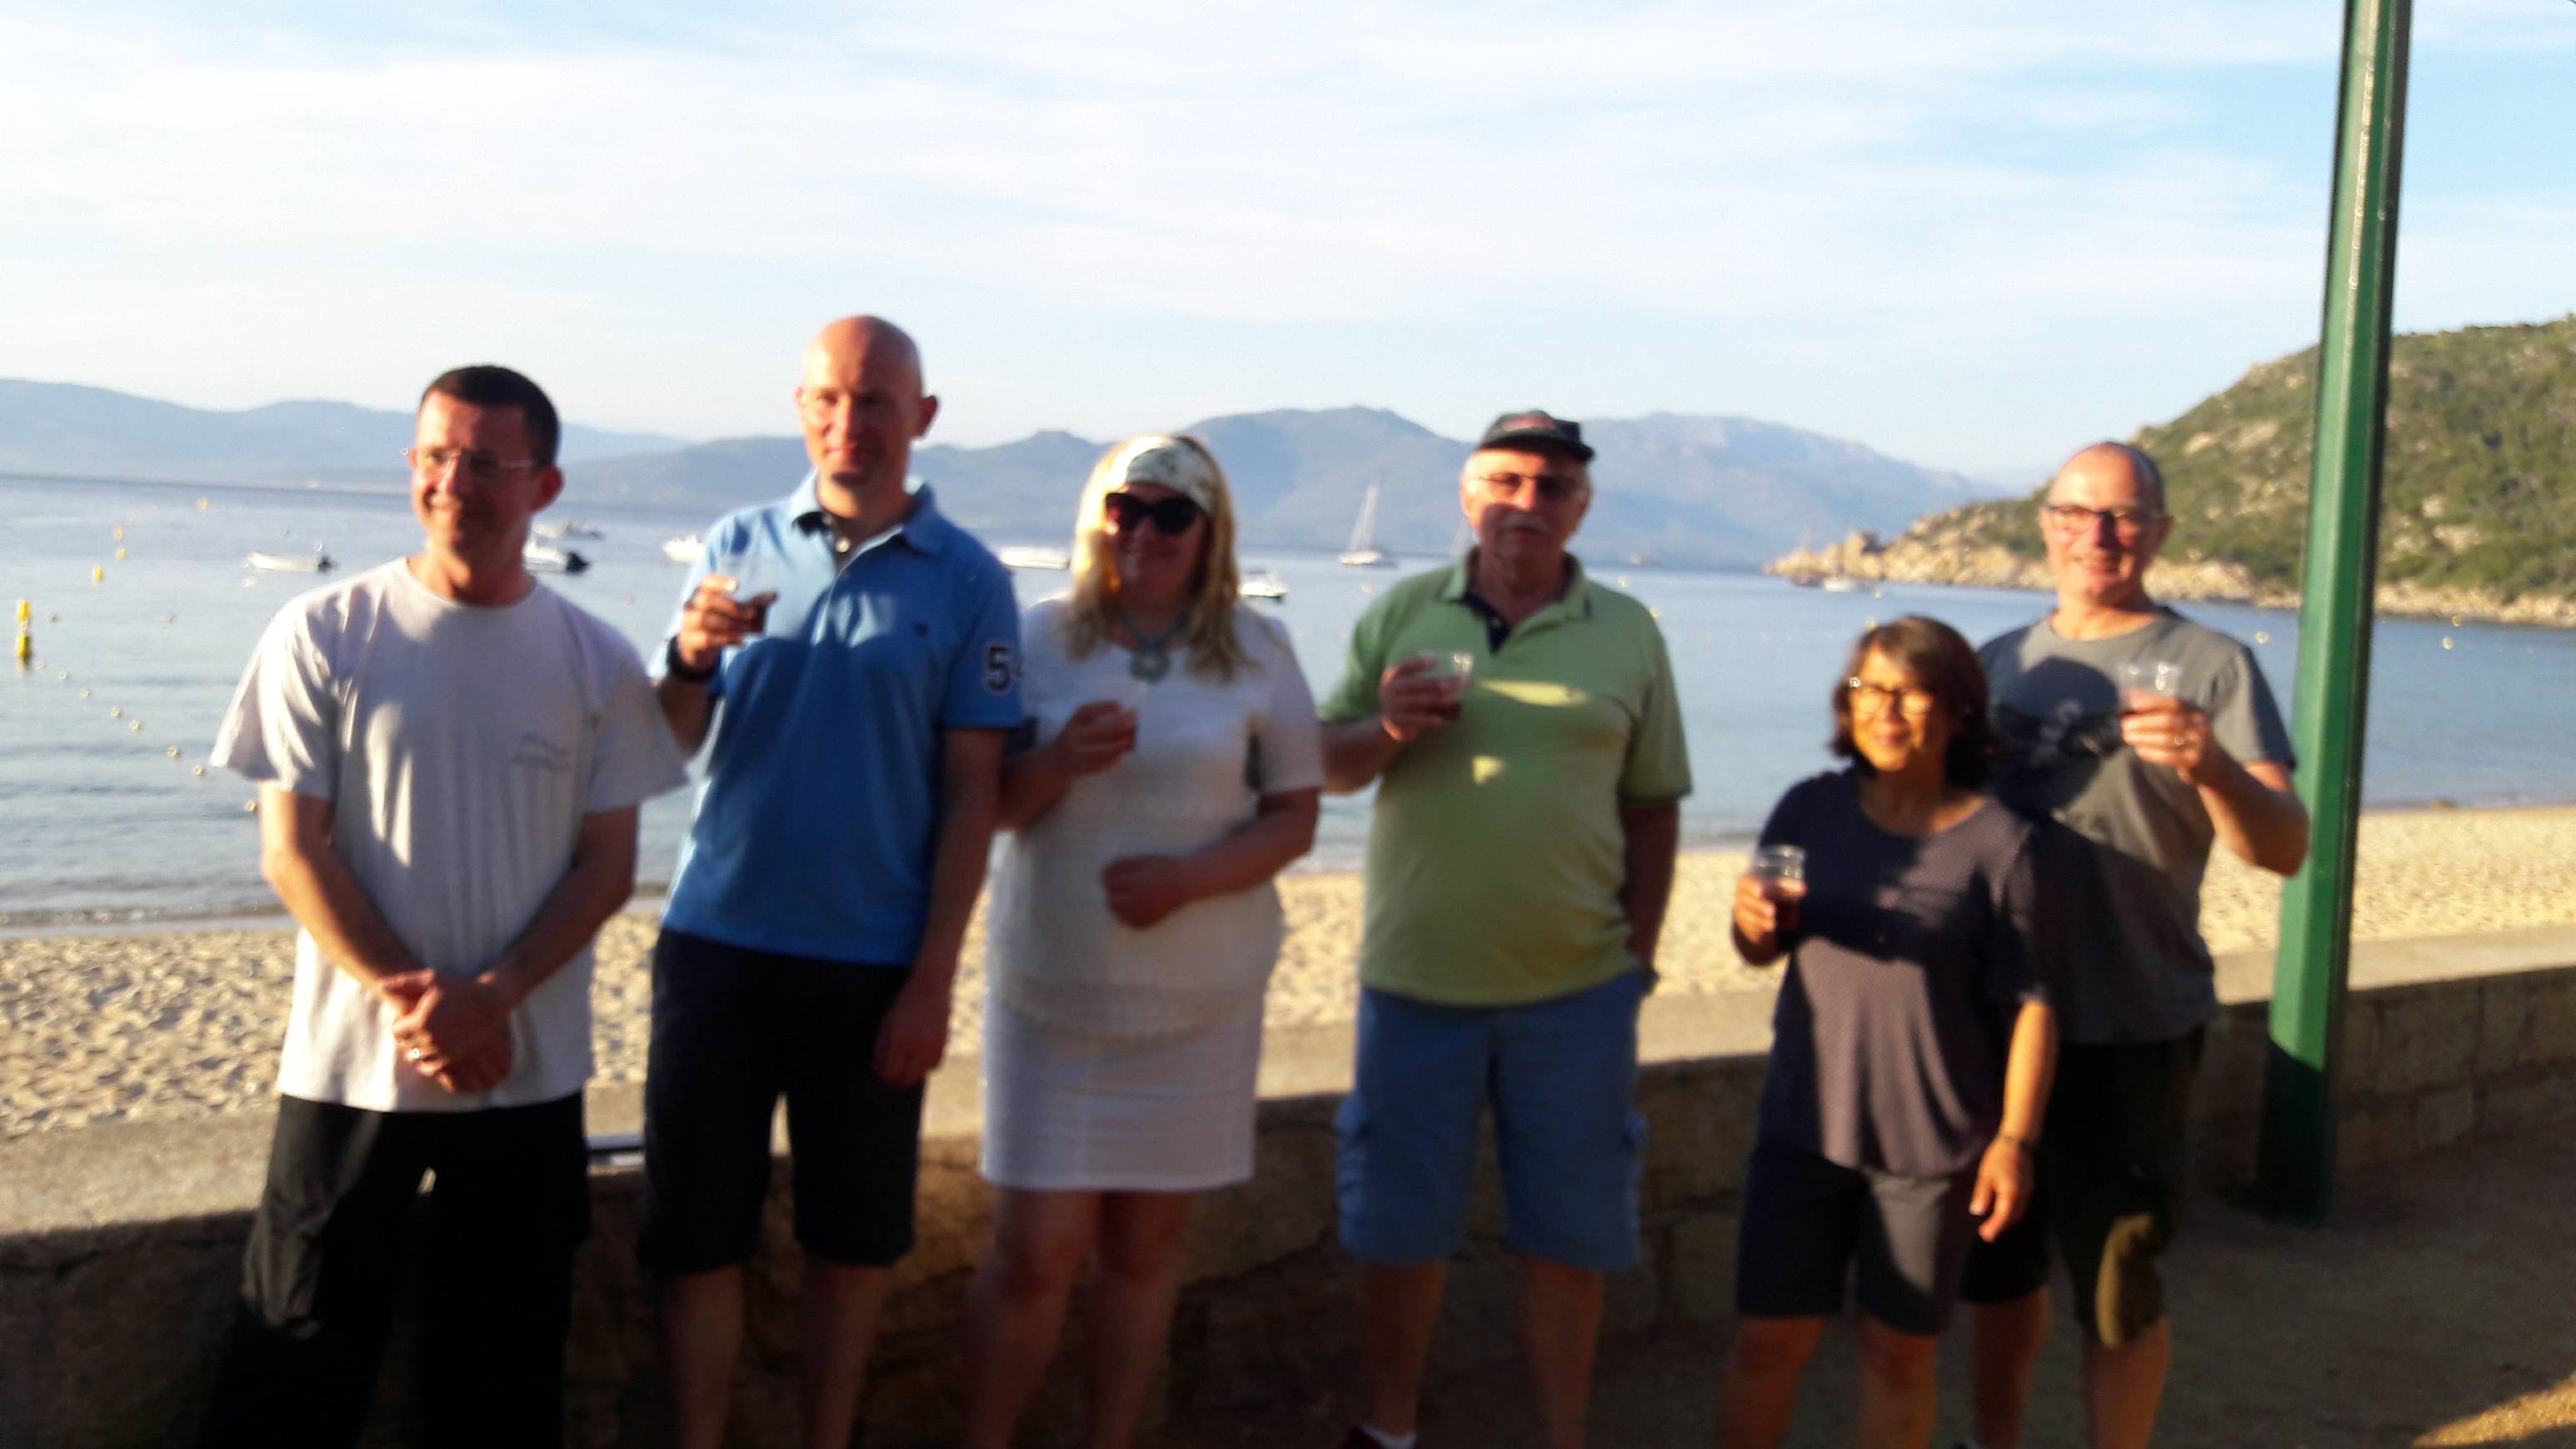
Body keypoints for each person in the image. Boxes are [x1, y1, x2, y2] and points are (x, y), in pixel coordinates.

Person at [197, 364, 687, 1448]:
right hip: (351, 1070)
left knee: (502, 1388)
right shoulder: (325, 630)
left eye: (485, 463)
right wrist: (418, 1001)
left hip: (527, 1075)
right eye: (435, 456)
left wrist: (494, 996)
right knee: (292, 1370)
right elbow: (293, 849)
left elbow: (607, 867)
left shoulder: (595, 660)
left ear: (544, 485)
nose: (453, 483)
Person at [639, 316, 1022, 1449]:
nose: (849, 421)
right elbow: (669, 741)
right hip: (718, 944)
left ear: (923, 416)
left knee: (850, 1250)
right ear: (801, 408)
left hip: (871, 966)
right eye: (829, 398)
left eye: (875, 400)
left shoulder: (970, 579)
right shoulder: (735, 542)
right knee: (696, 1242)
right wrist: (689, 658)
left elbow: (974, 794)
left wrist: (932, 981)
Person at [1317, 410, 1692, 1449]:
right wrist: (1388, 726)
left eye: (1552, 486)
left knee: (1568, 1235)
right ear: (1469, 494)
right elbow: (1325, 766)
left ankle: (1561, 1433)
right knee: (1400, 1229)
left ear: (1581, 507)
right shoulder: (1401, 611)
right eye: (1506, 481)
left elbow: (1654, 805)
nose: (1527, 502)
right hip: (1415, 986)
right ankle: (1389, 1427)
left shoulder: (1629, 630)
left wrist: (1638, 957)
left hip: (1577, 993)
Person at [958, 434, 1324, 1449]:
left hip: (1198, 1006)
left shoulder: (1257, 647)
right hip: (1052, 993)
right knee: (1033, 1252)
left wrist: (1188, 880)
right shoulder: (1037, 635)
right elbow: (980, 807)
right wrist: (1056, 764)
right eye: (1127, 507)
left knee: (1144, 1252)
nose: (1145, 531)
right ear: (1097, 515)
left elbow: (1296, 814)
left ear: (1210, 532)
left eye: (1173, 514)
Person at [1956, 442, 2309, 1449]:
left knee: (2118, 1282)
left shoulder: (2213, 664)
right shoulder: (1998, 662)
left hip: (2133, 1019)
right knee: (1996, 1268)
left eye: (2122, 515)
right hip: (1995, 1022)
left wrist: (2215, 768)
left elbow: (2285, 846)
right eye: (2077, 512)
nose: (2098, 535)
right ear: (2046, 523)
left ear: (2158, 531)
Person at [1713, 617, 2059, 1449]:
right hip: (1804, 1127)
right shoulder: (1810, 807)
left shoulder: (2001, 843)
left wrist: (2014, 1141)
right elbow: (1760, 948)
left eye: (1909, 692)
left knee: (1898, 1352)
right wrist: (1750, 924)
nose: (1884, 709)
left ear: (1958, 710)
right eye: (1867, 689)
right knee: (1767, 1340)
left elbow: (2035, 1005)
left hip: (1930, 1145)